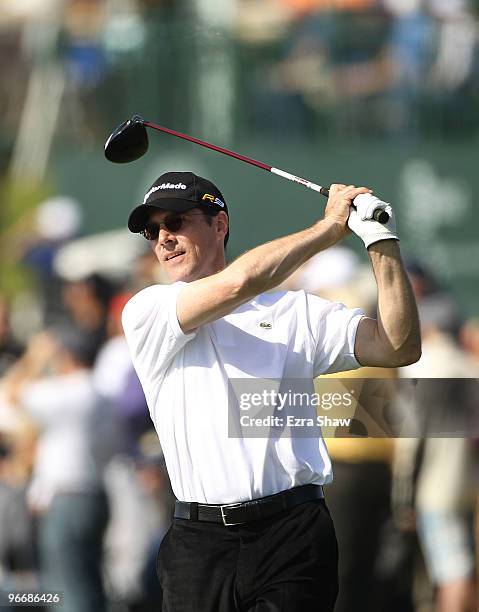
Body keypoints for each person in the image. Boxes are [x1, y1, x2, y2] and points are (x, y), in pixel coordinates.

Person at [121, 171, 421, 612]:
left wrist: (381, 241)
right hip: (199, 544)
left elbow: (398, 345)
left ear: (219, 224)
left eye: (177, 221)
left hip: (293, 535)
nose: (163, 238)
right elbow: (240, 282)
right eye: (153, 230)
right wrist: (328, 229)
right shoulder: (148, 310)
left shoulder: (294, 311)